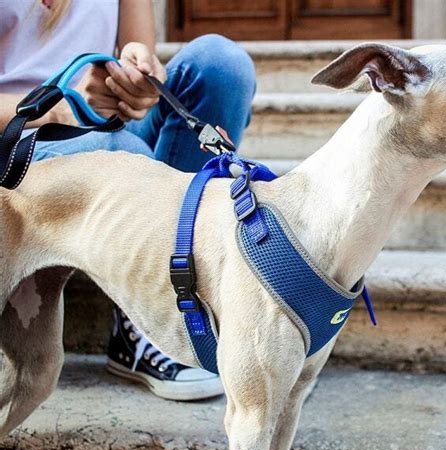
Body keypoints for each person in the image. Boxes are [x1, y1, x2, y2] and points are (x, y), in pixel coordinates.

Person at [0, 0, 256, 400]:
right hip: (21, 141)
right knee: (122, 152)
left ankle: (168, 311)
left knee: (221, 63)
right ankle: (151, 317)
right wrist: (60, 108)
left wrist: (138, 81)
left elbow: (137, 55)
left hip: (113, 132)